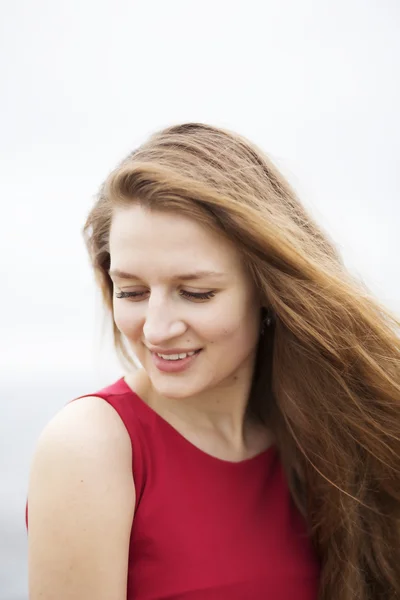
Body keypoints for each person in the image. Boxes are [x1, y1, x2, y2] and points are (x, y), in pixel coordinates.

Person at [27, 123, 400, 600]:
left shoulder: (323, 442)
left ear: (267, 290)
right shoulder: (91, 447)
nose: (157, 329)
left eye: (196, 293)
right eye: (133, 291)